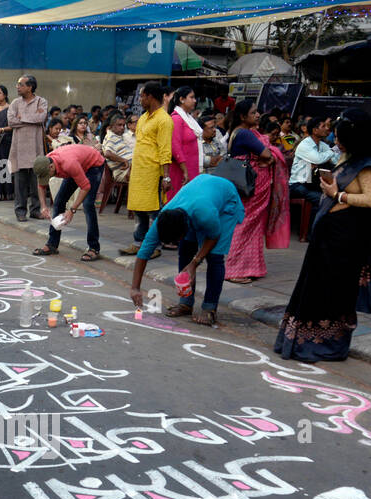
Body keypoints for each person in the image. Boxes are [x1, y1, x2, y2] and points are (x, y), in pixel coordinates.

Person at [274, 109, 371, 362]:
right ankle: (304, 341)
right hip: (328, 237)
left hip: (345, 242)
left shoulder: (368, 166)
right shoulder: (348, 159)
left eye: (340, 137)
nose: (335, 141)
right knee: (314, 288)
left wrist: (338, 195)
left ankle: (325, 343)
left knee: (332, 292)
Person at [129, 174, 246, 327]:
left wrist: (195, 262)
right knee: (185, 249)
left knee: (214, 256)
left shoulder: (205, 214)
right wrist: (135, 288)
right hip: (199, 193)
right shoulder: (163, 219)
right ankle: (186, 303)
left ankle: (210, 307)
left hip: (225, 199)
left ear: (185, 228)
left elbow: (214, 236)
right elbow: (143, 254)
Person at [225, 99, 289, 283]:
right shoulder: (244, 134)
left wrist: (268, 158)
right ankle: (235, 270)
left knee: (252, 226)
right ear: (243, 116)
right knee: (245, 224)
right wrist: (269, 157)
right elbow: (267, 154)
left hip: (250, 186)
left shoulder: (243, 132)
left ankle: (250, 267)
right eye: (253, 112)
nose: (257, 115)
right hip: (251, 187)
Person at [119, 82, 173, 257]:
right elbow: (139, 146)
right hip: (139, 171)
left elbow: (165, 149)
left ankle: (155, 246)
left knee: (154, 211)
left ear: (150, 97)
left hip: (153, 172)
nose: (140, 99)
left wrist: (166, 177)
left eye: (142, 96)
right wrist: (130, 169)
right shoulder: (142, 117)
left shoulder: (164, 120)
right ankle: (138, 242)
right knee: (139, 208)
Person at [31, 142, 105, 261]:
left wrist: (72, 210)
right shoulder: (45, 163)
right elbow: (41, 186)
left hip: (93, 164)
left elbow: (85, 187)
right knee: (59, 201)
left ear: (51, 167)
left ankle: (94, 247)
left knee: (87, 204)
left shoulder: (68, 164)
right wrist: (43, 206)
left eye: (47, 175)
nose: (47, 179)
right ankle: (52, 244)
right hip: (78, 163)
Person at [8, 75, 48, 222]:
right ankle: (20, 211)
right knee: (20, 183)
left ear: (30, 87)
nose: (17, 87)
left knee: (36, 182)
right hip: (19, 149)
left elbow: (41, 118)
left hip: (36, 148)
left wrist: (21, 117)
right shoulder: (15, 103)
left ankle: (36, 210)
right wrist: (31, 118)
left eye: (20, 85)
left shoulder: (41, 101)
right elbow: (11, 121)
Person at [167, 86, 202, 203]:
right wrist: (185, 170)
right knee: (178, 202)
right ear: (182, 99)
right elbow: (175, 146)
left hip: (191, 168)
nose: (195, 100)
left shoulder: (188, 118)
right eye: (191, 97)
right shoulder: (177, 119)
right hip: (181, 170)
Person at [288, 115, 332, 202]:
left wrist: (332, 152)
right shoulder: (305, 145)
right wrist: (332, 151)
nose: (326, 128)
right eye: (323, 126)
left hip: (310, 183)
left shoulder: (322, 145)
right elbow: (318, 159)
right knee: (324, 199)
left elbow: (335, 159)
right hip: (297, 185)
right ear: (315, 130)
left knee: (329, 195)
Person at [96, 112, 133, 210]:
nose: (122, 127)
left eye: (123, 125)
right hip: (123, 172)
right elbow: (107, 153)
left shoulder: (119, 136)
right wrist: (124, 160)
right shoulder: (111, 137)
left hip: (130, 168)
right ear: (112, 126)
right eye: (119, 125)